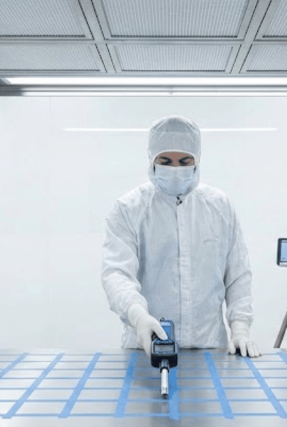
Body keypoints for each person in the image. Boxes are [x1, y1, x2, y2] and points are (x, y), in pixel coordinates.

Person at [101, 115, 261, 358]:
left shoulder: (219, 206)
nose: (175, 169)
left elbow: (237, 274)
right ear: (151, 160)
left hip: (209, 347)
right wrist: (138, 316)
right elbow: (117, 274)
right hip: (146, 347)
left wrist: (240, 327)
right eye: (165, 160)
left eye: (184, 161)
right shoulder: (129, 209)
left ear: (197, 161)